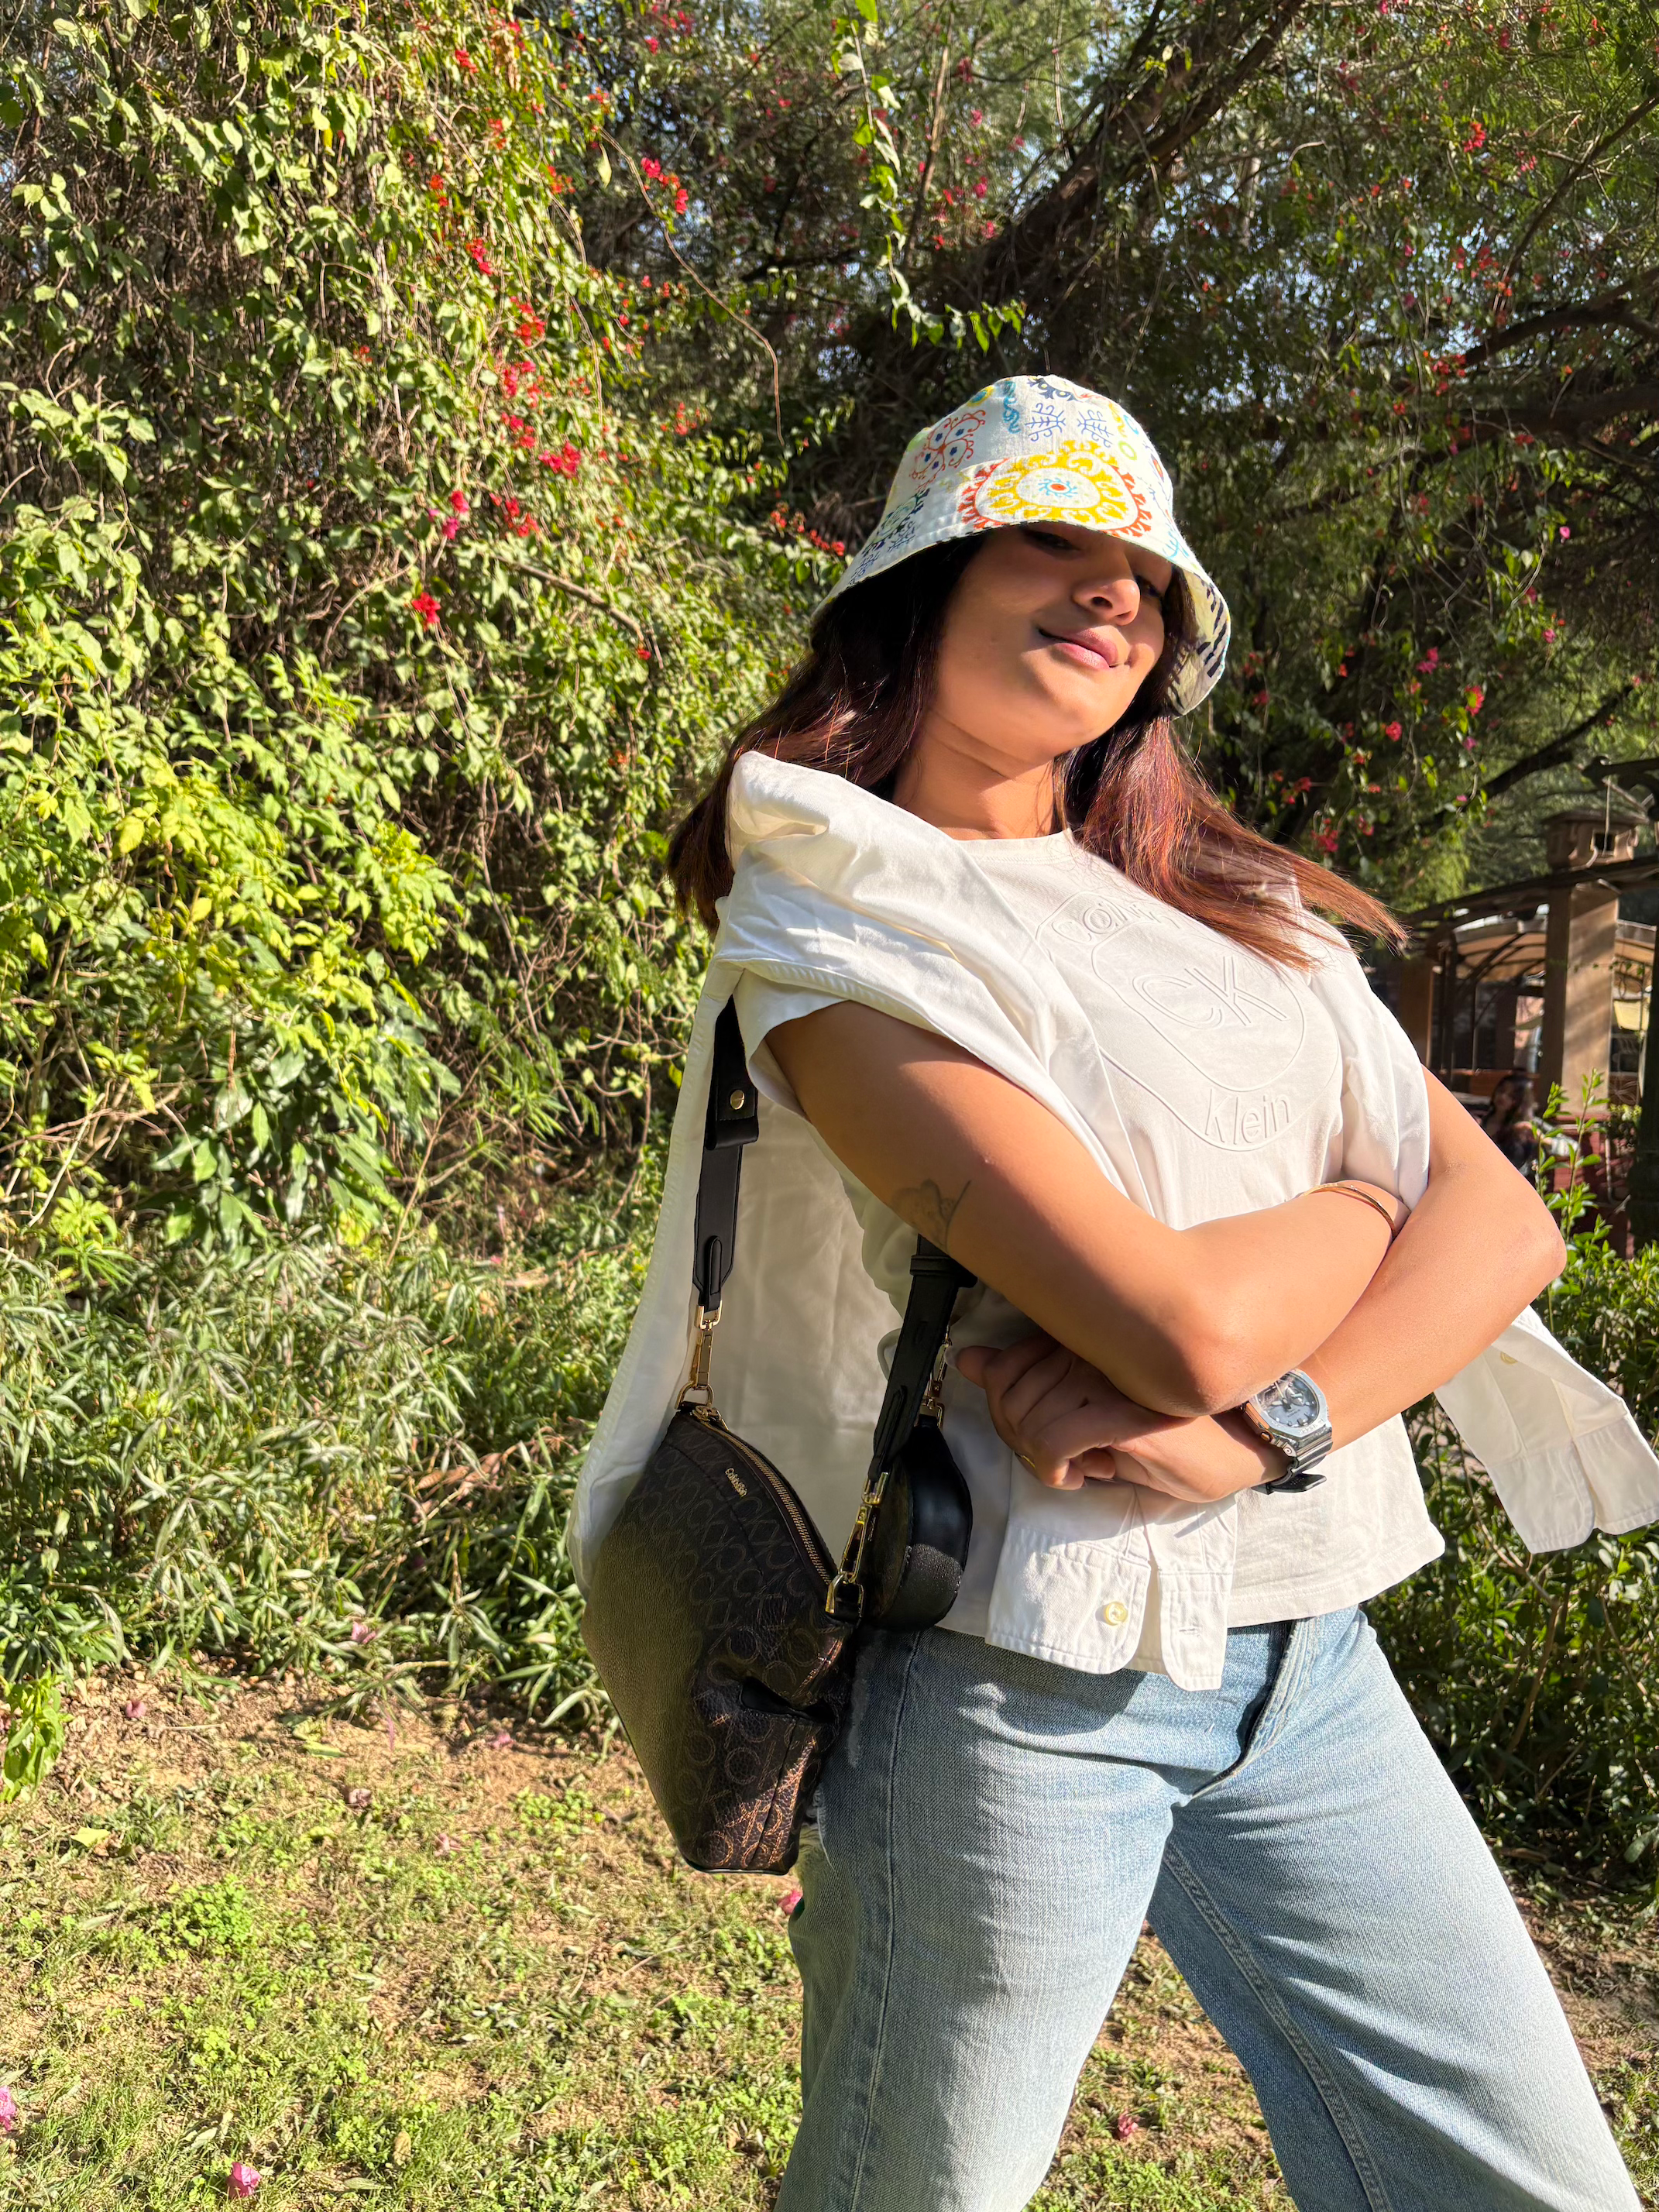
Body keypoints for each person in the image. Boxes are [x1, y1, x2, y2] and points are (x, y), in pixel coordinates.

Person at [571, 377, 1659, 2212]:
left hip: (1310, 1662)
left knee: (1534, 2184)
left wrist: (1279, 1423)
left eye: (1145, 576)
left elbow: (1505, 1235)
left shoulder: (1246, 912)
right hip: (1014, 1676)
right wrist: (1365, 1209)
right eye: (1051, 544)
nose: (1111, 597)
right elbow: (1187, 1325)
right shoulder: (839, 913)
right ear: (920, 585)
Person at [1485, 1065, 1540, 1174]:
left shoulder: (1527, 1124)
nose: (1503, 1097)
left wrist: (1541, 1138)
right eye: (1501, 1091)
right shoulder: (1482, 1120)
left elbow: (1572, 1147)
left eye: (1511, 1096)